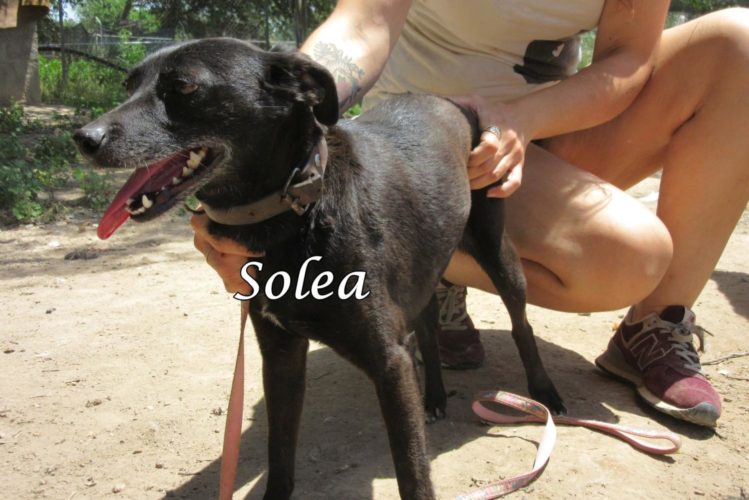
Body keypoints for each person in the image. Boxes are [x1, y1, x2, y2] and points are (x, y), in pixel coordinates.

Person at [191, 0, 749, 428]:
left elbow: (627, 59)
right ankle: (422, 253)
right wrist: (286, 128)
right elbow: (364, 22)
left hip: (540, 126)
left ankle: (655, 324)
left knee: (738, 43)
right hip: (420, 150)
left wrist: (521, 118)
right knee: (628, 256)